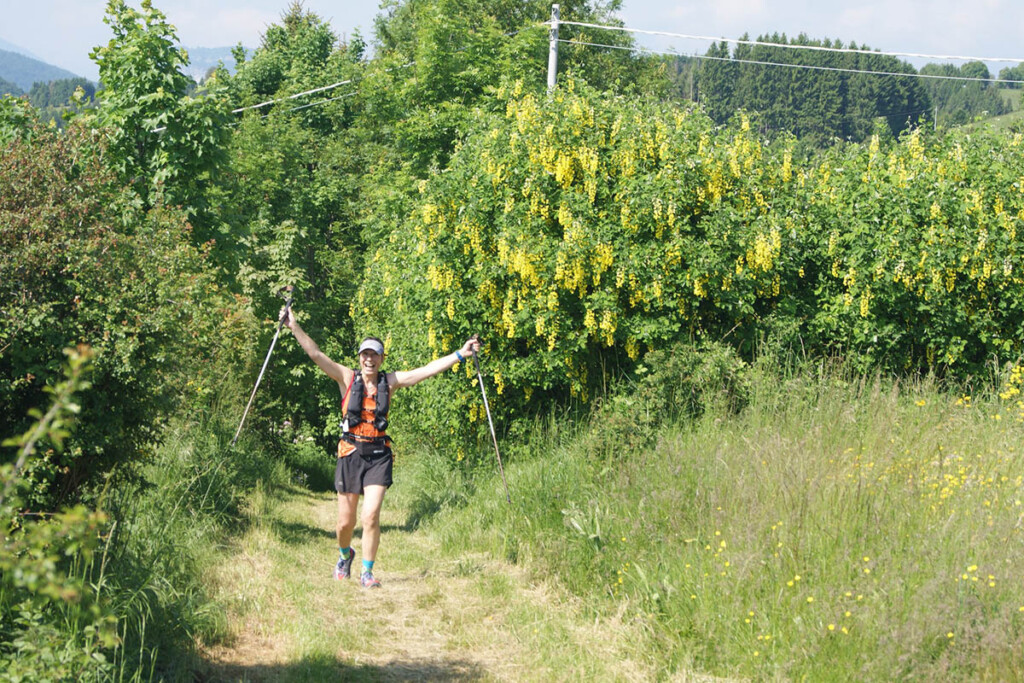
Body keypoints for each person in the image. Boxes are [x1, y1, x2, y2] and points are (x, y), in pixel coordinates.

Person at [283, 309, 479, 588]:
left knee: (370, 515)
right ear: (359, 357)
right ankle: (345, 555)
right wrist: (294, 326)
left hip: (378, 455)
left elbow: (426, 370)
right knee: (345, 523)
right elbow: (316, 355)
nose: (369, 359)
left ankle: (367, 572)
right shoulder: (346, 377)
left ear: (382, 358)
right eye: (365, 354)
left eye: (374, 355)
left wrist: (460, 354)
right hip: (350, 453)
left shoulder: (391, 381)